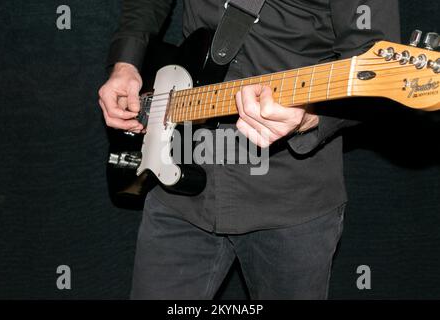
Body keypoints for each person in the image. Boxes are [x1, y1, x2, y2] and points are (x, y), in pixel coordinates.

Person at [98, 0, 400, 299]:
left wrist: (311, 117)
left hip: (289, 200)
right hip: (177, 183)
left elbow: (378, 70)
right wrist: (126, 62)